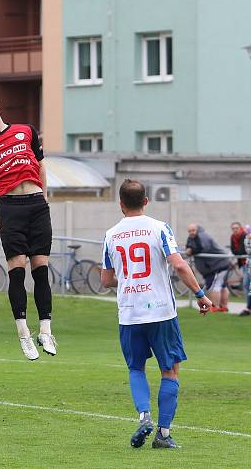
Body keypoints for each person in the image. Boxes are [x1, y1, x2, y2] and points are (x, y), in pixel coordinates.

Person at [100, 179, 212, 449]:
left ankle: (144, 416)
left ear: (120, 204)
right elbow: (179, 265)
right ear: (146, 201)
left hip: (129, 314)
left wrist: (127, 278)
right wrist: (200, 295)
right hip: (161, 312)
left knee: (136, 368)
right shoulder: (159, 228)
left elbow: (106, 280)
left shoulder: (111, 234)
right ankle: (163, 434)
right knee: (170, 371)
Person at [0, 93, 56, 360]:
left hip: (36, 205)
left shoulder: (26, 131)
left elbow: (40, 165)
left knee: (41, 271)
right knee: (17, 272)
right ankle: (23, 333)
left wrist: (43, 197)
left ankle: (45, 330)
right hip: (11, 208)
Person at [185, 223, 230, 312]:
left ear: (197, 229)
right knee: (222, 285)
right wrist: (189, 249)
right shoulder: (192, 237)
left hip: (217, 265)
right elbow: (189, 246)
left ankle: (215, 307)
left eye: (193, 230)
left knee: (214, 286)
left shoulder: (202, 236)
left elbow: (203, 248)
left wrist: (191, 251)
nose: (191, 233)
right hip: (216, 265)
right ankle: (223, 307)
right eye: (189, 231)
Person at [229, 222, 249, 312]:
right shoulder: (233, 237)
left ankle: (248, 306)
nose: (235, 230)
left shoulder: (244, 236)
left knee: (246, 284)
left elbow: (242, 250)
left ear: (240, 228)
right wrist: (238, 252)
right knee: (246, 285)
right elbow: (234, 250)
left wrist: (238, 252)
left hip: (247, 262)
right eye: (233, 228)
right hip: (242, 262)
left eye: (236, 228)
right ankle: (248, 306)